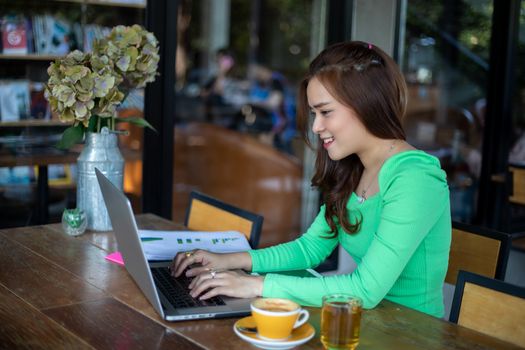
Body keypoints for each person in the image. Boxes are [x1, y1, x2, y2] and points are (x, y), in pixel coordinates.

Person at [171, 41, 451, 318]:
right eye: (314, 113)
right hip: (364, 323)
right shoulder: (354, 168)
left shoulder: (415, 177)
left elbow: (365, 290)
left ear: (366, 104)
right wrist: (229, 260)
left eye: (326, 112)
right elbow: (311, 248)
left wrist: (255, 284)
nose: (316, 127)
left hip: (411, 335)